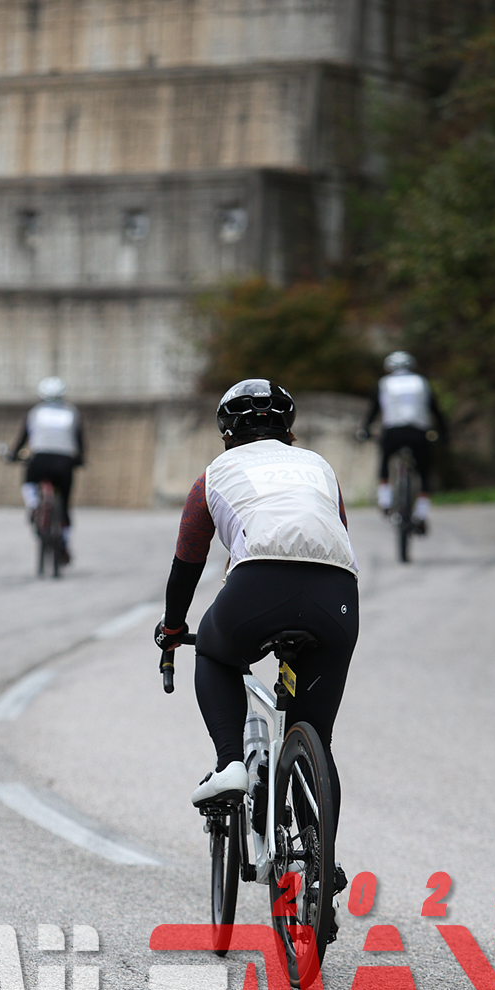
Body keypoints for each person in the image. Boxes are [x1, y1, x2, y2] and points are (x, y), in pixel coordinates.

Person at [155, 378, 357, 927]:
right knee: (318, 738)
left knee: (215, 654)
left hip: (259, 585)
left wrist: (173, 630)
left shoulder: (213, 475)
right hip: (336, 595)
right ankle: (322, 859)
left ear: (226, 433)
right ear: (289, 431)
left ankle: (230, 765)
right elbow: (333, 532)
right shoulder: (319, 467)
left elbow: (187, 562)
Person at [356, 351, 448, 533]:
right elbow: (435, 410)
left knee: (384, 462)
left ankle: (385, 501)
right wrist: (444, 433)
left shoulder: (384, 383)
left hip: (393, 431)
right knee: (424, 472)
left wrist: (365, 430)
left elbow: (374, 410)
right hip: (418, 432)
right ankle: (421, 514)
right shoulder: (422, 382)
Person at [9, 376, 84, 559]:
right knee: (64, 503)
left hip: (40, 459)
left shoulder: (36, 412)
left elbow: (23, 437)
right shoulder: (72, 412)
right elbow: (79, 440)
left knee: (28, 481)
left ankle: (34, 504)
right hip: (64, 462)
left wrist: (13, 454)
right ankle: (64, 540)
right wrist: (80, 459)